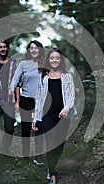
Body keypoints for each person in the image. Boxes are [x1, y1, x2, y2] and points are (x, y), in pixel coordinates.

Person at [32, 47, 76, 184]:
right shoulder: (42, 76)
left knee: (59, 144)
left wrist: (67, 108)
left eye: (57, 58)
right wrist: (35, 118)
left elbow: (71, 95)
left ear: (60, 59)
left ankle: (52, 166)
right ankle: (52, 174)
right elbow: (38, 98)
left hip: (63, 115)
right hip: (46, 115)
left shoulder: (67, 76)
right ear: (48, 60)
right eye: (52, 58)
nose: (54, 60)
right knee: (51, 142)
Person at [9, 40, 45, 157]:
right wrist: (11, 87)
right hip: (26, 99)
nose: (34, 50)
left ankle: (38, 155)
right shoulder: (23, 63)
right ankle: (26, 155)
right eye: (32, 48)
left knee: (39, 129)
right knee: (26, 128)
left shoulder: (44, 64)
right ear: (29, 50)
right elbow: (15, 79)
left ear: (40, 50)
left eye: (36, 48)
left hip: (40, 100)